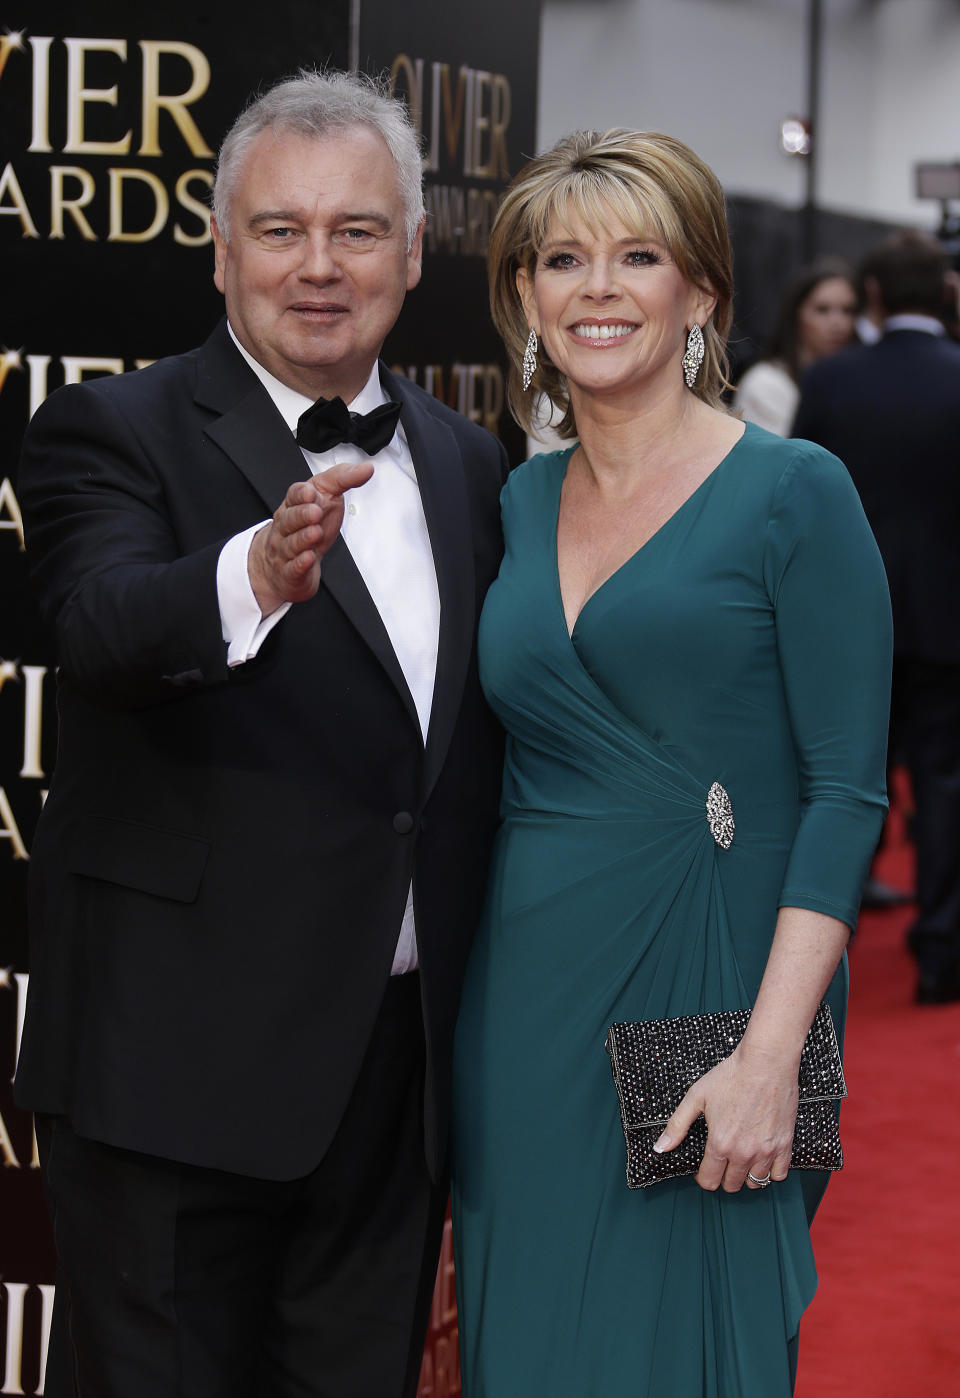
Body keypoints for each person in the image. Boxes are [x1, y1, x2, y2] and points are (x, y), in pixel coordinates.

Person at [14, 69, 507, 1398]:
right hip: (176, 1071)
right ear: (221, 251)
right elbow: (101, 623)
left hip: (393, 1089)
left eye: (357, 230)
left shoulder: (470, 460)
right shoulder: (110, 429)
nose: (319, 266)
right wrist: (255, 571)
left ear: (413, 250)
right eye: (280, 229)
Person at [450, 129, 891, 1397]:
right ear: (526, 296)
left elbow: (847, 791)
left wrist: (769, 1058)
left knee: (688, 1346)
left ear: (699, 292)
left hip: (723, 991)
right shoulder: (515, 502)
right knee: (528, 1343)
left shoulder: (795, 492)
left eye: (638, 255)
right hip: (524, 1006)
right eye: (563, 258)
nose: (597, 287)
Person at [794, 231, 960, 1005]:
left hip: (841, 622)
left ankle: (822, 952)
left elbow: (792, 504)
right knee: (946, 783)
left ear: (876, 301)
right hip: (949, 622)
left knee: (839, 781)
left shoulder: (830, 380)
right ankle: (942, 953)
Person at [732, 257, 858, 435]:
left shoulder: (860, 380)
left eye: (848, 310)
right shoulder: (766, 383)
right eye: (822, 309)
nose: (838, 323)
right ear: (797, 315)